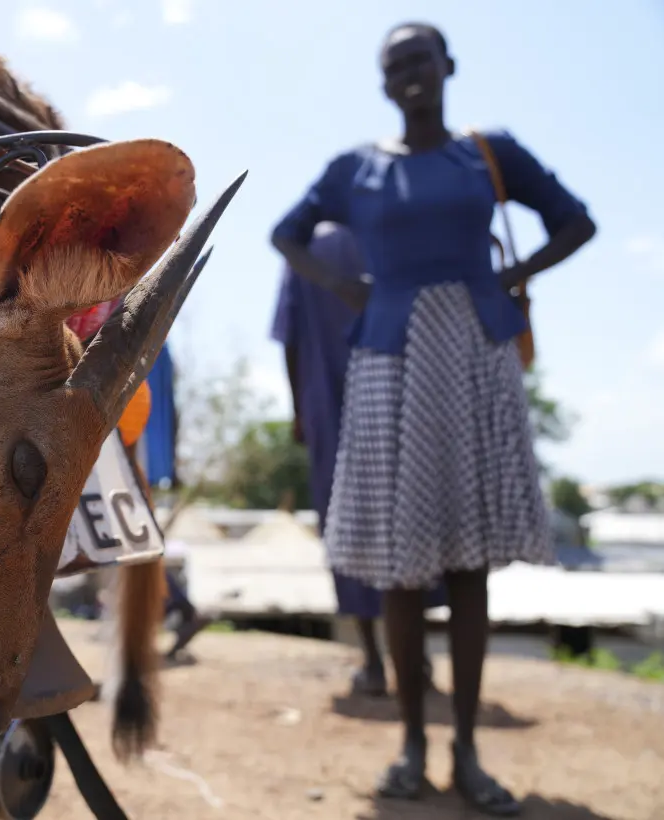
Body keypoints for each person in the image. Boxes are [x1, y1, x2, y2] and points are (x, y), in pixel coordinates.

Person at [269, 22, 596, 816]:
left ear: (448, 66)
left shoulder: (488, 153)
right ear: (383, 84)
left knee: (469, 563)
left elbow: (575, 220)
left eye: (421, 58)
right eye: (395, 65)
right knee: (398, 565)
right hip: (388, 358)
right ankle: (413, 744)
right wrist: (346, 289)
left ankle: (468, 750)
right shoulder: (357, 167)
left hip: (477, 353)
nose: (410, 73)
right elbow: (286, 234)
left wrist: (510, 275)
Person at [270, 221, 444, 697]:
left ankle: (371, 660)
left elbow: (289, 337)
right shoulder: (389, 235)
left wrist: (300, 411)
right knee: (409, 519)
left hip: (330, 409)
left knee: (346, 524)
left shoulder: (305, 251)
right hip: (399, 402)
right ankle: (419, 659)